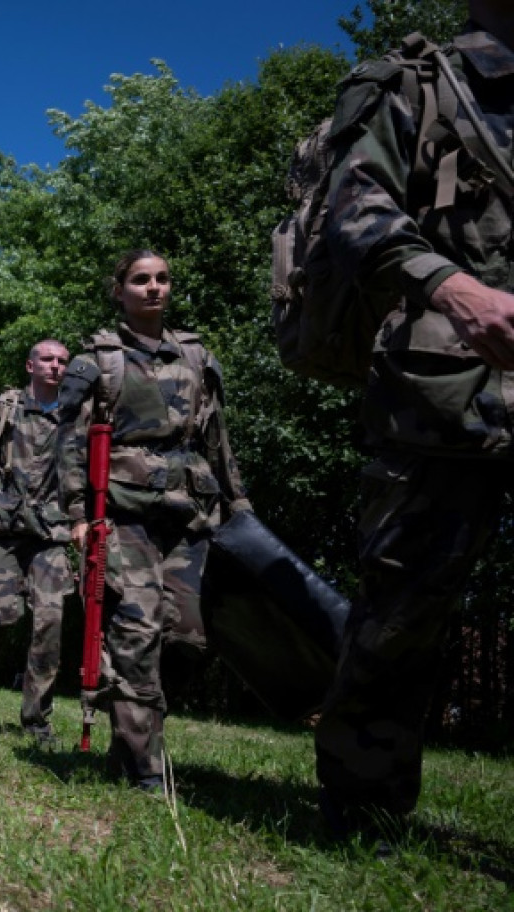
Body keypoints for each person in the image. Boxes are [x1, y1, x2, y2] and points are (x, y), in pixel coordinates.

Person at [313, 2, 514, 835]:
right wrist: (452, 287)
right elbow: (350, 209)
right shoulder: (417, 84)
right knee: (402, 607)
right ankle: (364, 810)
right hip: (443, 390)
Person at [60, 250, 250, 791]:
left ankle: (128, 743)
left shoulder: (196, 358)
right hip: (122, 514)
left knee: (191, 634)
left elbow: (218, 440)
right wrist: (77, 514)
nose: (153, 288)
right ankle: (146, 769)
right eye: (140, 280)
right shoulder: (96, 360)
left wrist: (240, 507)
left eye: (162, 279)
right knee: (137, 628)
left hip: (190, 514)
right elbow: (69, 443)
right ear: (118, 290)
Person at [0, 339, 74, 742]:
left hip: (50, 534)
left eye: (62, 361)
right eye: (47, 359)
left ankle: (37, 720)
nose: (55, 366)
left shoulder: (77, 416)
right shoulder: (0, 410)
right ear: (30, 365)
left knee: (50, 621)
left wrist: (86, 521)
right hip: (0, 530)